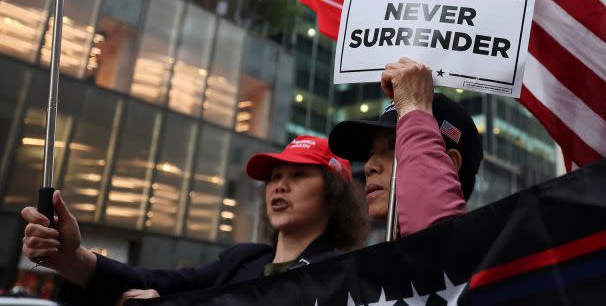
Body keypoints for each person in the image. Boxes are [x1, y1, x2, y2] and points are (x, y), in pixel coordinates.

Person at [20, 136, 367, 305]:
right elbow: (157, 280)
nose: (280, 186)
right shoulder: (242, 259)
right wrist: (72, 258)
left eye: (298, 175)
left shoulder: (342, 272)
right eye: (275, 176)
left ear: (334, 194)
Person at [329, 59, 482, 236]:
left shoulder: (474, 256)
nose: (368, 166)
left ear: (450, 163)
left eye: (397, 144)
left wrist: (412, 107)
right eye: (371, 153)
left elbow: (440, 247)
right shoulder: (375, 263)